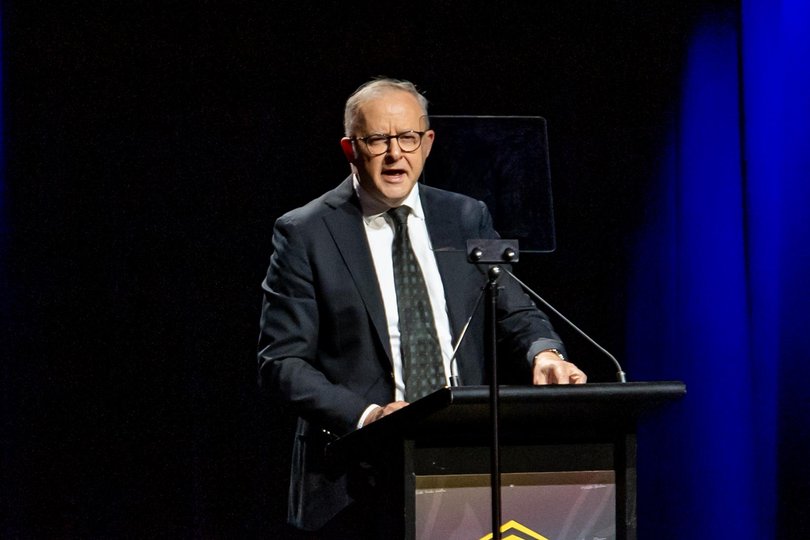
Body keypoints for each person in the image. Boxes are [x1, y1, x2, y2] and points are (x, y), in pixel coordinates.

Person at [257, 78, 586, 537]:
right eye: (378, 139)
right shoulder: (306, 232)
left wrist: (544, 352)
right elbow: (282, 363)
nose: (396, 154)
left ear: (427, 142)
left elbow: (514, 309)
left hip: (465, 465)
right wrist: (369, 417)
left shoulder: (465, 217)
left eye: (408, 137)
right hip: (356, 477)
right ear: (351, 148)